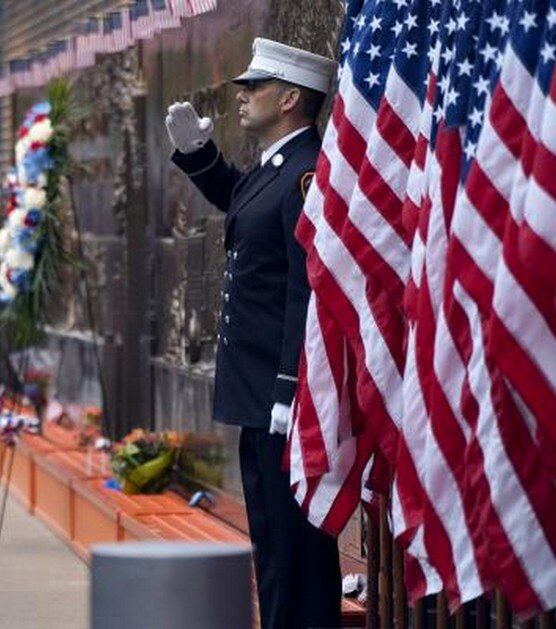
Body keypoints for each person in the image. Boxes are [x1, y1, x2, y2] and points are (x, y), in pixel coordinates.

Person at [166, 38, 340, 628]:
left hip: (279, 391)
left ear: (290, 99)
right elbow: (241, 200)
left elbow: (304, 291)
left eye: (255, 87)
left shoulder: (307, 173)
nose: (241, 96)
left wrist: (289, 388)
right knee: (270, 534)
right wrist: (198, 154)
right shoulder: (277, 168)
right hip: (256, 388)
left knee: (293, 546)